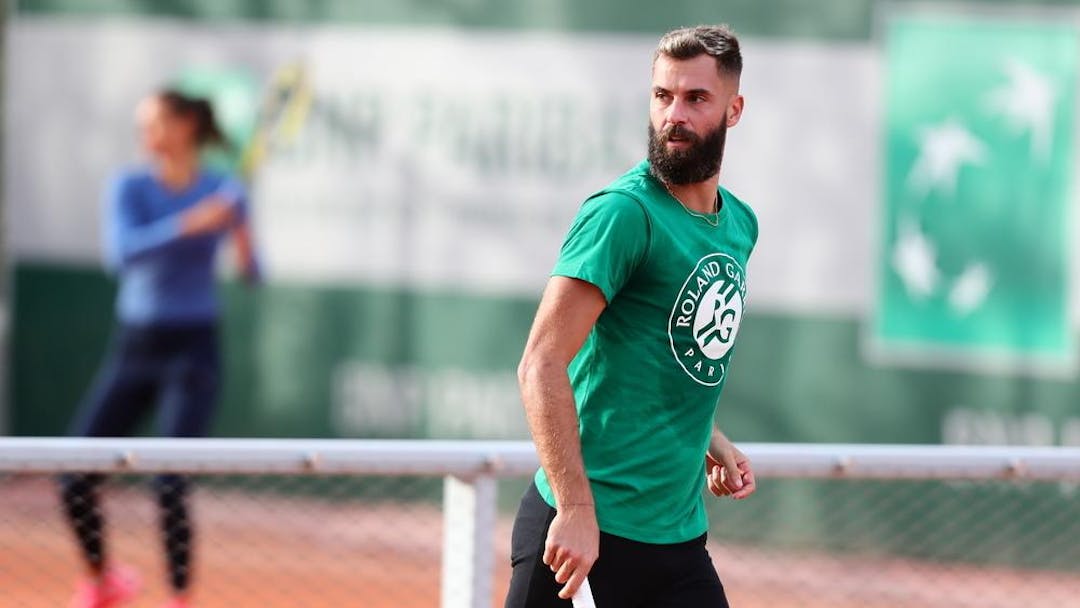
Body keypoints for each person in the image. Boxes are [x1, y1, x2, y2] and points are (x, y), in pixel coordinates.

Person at [506, 25, 758, 607]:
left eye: (697, 99)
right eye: (662, 96)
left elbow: (662, 359)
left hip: (678, 540)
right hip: (584, 540)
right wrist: (573, 509)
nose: (675, 114)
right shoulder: (624, 213)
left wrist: (711, 441)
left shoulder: (739, 226)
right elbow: (540, 363)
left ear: (733, 109)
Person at [59, 89, 259, 608]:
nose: (145, 135)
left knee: (169, 482)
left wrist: (240, 230)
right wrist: (191, 222)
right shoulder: (127, 185)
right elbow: (121, 254)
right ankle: (104, 580)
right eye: (141, 124)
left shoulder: (224, 189)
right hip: (135, 346)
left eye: (156, 123)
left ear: (187, 125)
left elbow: (253, 274)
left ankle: (179, 600)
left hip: (194, 350)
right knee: (72, 478)